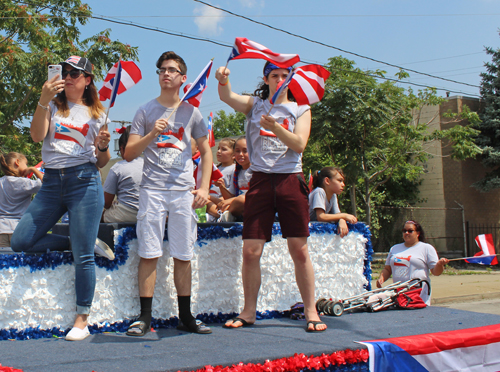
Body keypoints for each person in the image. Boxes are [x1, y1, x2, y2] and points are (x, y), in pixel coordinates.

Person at [215, 61, 327, 332]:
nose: (279, 80)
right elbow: (227, 97)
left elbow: (299, 144)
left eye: (284, 75)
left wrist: (276, 127)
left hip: (291, 179)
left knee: (299, 250)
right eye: (273, 75)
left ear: (291, 79)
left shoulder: (301, 108)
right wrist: (223, 79)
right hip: (261, 180)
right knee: (251, 251)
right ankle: (249, 311)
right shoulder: (255, 105)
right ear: (265, 79)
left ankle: (311, 311)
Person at [10, 55, 115, 341]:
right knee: (20, 241)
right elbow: (35, 136)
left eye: (75, 73)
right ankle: (80, 239)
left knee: (83, 258)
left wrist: (104, 147)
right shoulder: (52, 106)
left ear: (87, 80)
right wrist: (43, 100)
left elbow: (102, 162)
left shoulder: (97, 113)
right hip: (52, 182)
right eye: (64, 71)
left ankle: (82, 319)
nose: (68, 77)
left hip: (84, 181)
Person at [124, 51, 213, 336]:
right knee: (149, 252)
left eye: (172, 70)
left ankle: (185, 316)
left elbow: (207, 152)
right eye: (162, 69)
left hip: (181, 191)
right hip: (152, 190)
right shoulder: (145, 110)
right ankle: (145, 317)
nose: (166, 73)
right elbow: (128, 153)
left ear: (183, 78)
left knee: (183, 254)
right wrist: (152, 134)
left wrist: (203, 188)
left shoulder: (192, 112)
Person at [376, 220, 449, 305]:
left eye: (410, 231)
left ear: (418, 233)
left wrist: (440, 264)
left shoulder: (426, 248)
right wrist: (382, 278)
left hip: (418, 295)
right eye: (404, 231)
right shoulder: (394, 248)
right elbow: (388, 269)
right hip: (399, 294)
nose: (406, 233)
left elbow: (436, 272)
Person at [0, 153, 43, 247]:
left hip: (1, 230)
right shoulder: (24, 183)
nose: (26, 166)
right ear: (17, 162)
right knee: (18, 259)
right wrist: (33, 169)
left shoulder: (1, 182)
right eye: (26, 164)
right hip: (19, 230)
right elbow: (46, 184)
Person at [102, 126, 143, 223]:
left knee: (97, 217)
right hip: (148, 213)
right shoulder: (150, 166)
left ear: (122, 148)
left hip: (125, 214)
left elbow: (106, 203)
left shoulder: (118, 167)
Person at [309, 167, 357, 237]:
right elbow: (321, 217)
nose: (343, 184)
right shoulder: (319, 191)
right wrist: (345, 216)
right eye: (339, 180)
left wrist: (342, 220)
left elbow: (337, 214)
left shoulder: (333, 195)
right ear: (327, 181)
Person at [216, 137, 251, 221]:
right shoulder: (237, 172)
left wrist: (230, 201)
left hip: (253, 206)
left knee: (241, 199)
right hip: (239, 207)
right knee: (208, 199)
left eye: (245, 151)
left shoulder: (257, 171)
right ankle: (227, 215)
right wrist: (222, 187)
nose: (241, 154)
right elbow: (229, 197)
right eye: (237, 151)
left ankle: (224, 216)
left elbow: (255, 195)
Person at [205, 138, 236, 220]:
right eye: (218, 148)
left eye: (224, 149)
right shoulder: (215, 167)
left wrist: (221, 186)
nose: (218, 151)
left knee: (205, 199)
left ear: (233, 155)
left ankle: (220, 215)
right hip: (211, 199)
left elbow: (230, 196)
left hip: (222, 201)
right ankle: (216, 215)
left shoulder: (234, 169)